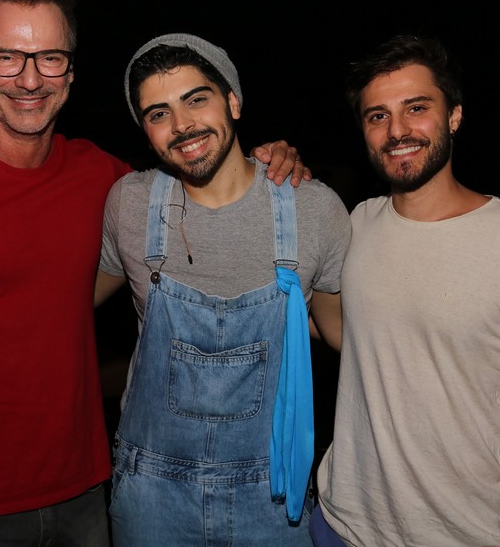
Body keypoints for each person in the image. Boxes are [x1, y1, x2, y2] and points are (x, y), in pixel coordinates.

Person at [0, 0, 309, 547]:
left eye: (50, 58)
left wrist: (272, 163)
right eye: (7, 56)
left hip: (88, 495)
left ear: (71, 71)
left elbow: (204, 191)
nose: (30, 79)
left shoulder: (106, 181)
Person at [311, 34, 500, 547]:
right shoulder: (356, 225)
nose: (397, 131)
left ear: (454, 116)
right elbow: (352, 336)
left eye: (416, 108)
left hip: (464, 534)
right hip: (340, 527)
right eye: (377, 116)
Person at [94, 33, 351, 546]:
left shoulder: (313, 209)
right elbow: (60, 301)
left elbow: (344, 335)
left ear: (232, 101)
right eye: (158, 113)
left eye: (196, 99)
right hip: (150, 495)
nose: (182, 125)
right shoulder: (129, 204)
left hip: (273, 498)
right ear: (145, 132)